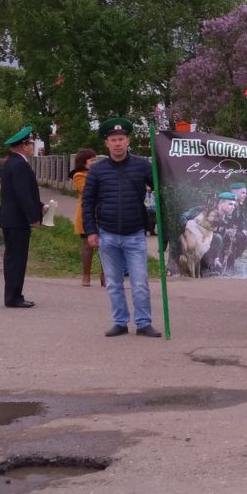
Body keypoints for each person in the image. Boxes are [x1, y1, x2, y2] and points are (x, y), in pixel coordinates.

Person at [82, 117, 161, 337]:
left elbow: (161, 188)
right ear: (107, 144)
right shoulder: (98, 170)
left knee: (140, 283)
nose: (117, 143)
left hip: (135, 234)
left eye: (121, 139)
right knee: (114, 283)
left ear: (128, 141)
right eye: (113, 139)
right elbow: (87, 202)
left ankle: (144, 323)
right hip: (107, 235)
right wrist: (91, 231)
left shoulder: (142, 166)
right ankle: (120, 321)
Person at [0, 127, 42, 306]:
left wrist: (40, 206)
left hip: (10, 218)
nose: (33, 147)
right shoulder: (20, 165)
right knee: (17, 259)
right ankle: (14, 297)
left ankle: (12, 295)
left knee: (13, 257)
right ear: (24, 146)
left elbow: (20, 192)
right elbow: (23, 194)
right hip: (17, 220)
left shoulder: (11, 163)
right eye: (31, 144)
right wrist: (34, 217)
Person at [70, 148, 101, 287]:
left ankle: (105, 277)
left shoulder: (99, 173)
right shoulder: (79, 175)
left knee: (105, 247)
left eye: (95, 159)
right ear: (83, 162)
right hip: (86, 214)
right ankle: (86, 275)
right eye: (91, 160)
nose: (95, 162)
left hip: (102, 213)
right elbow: (87, 190)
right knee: (88, 246)